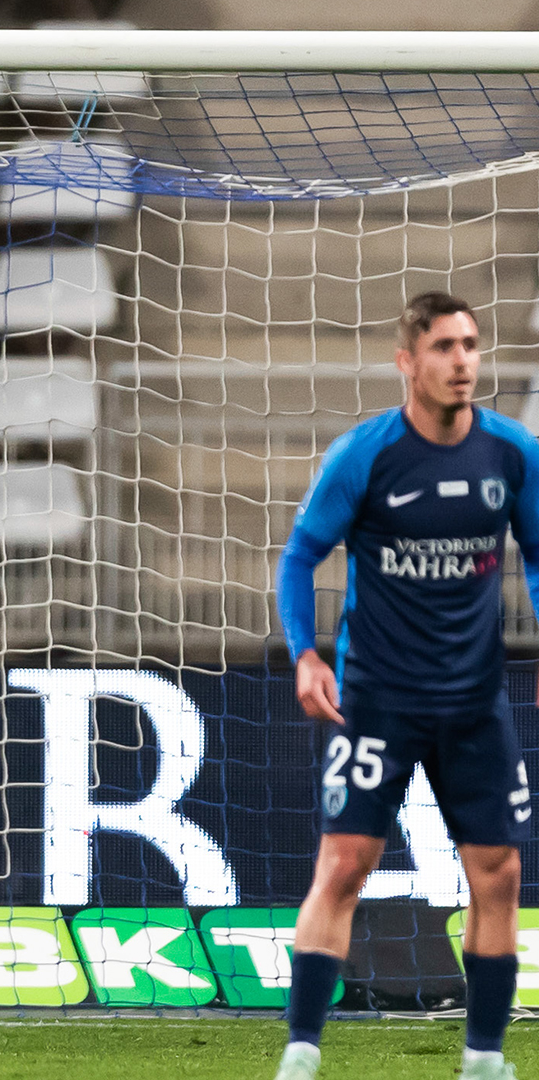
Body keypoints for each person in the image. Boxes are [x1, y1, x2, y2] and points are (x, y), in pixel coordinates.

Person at [274, 291, 534, 1080]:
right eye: (446, 347)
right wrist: (304, 654)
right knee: (344, 866)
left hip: (475, 703)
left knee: (501, 873)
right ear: (407, 362)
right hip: (378, 697)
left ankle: (484, 1058)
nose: (463, 362)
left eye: (471, 346)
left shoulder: (511, 453)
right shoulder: (366, 455)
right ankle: (302, 1051)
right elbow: (299, 558)